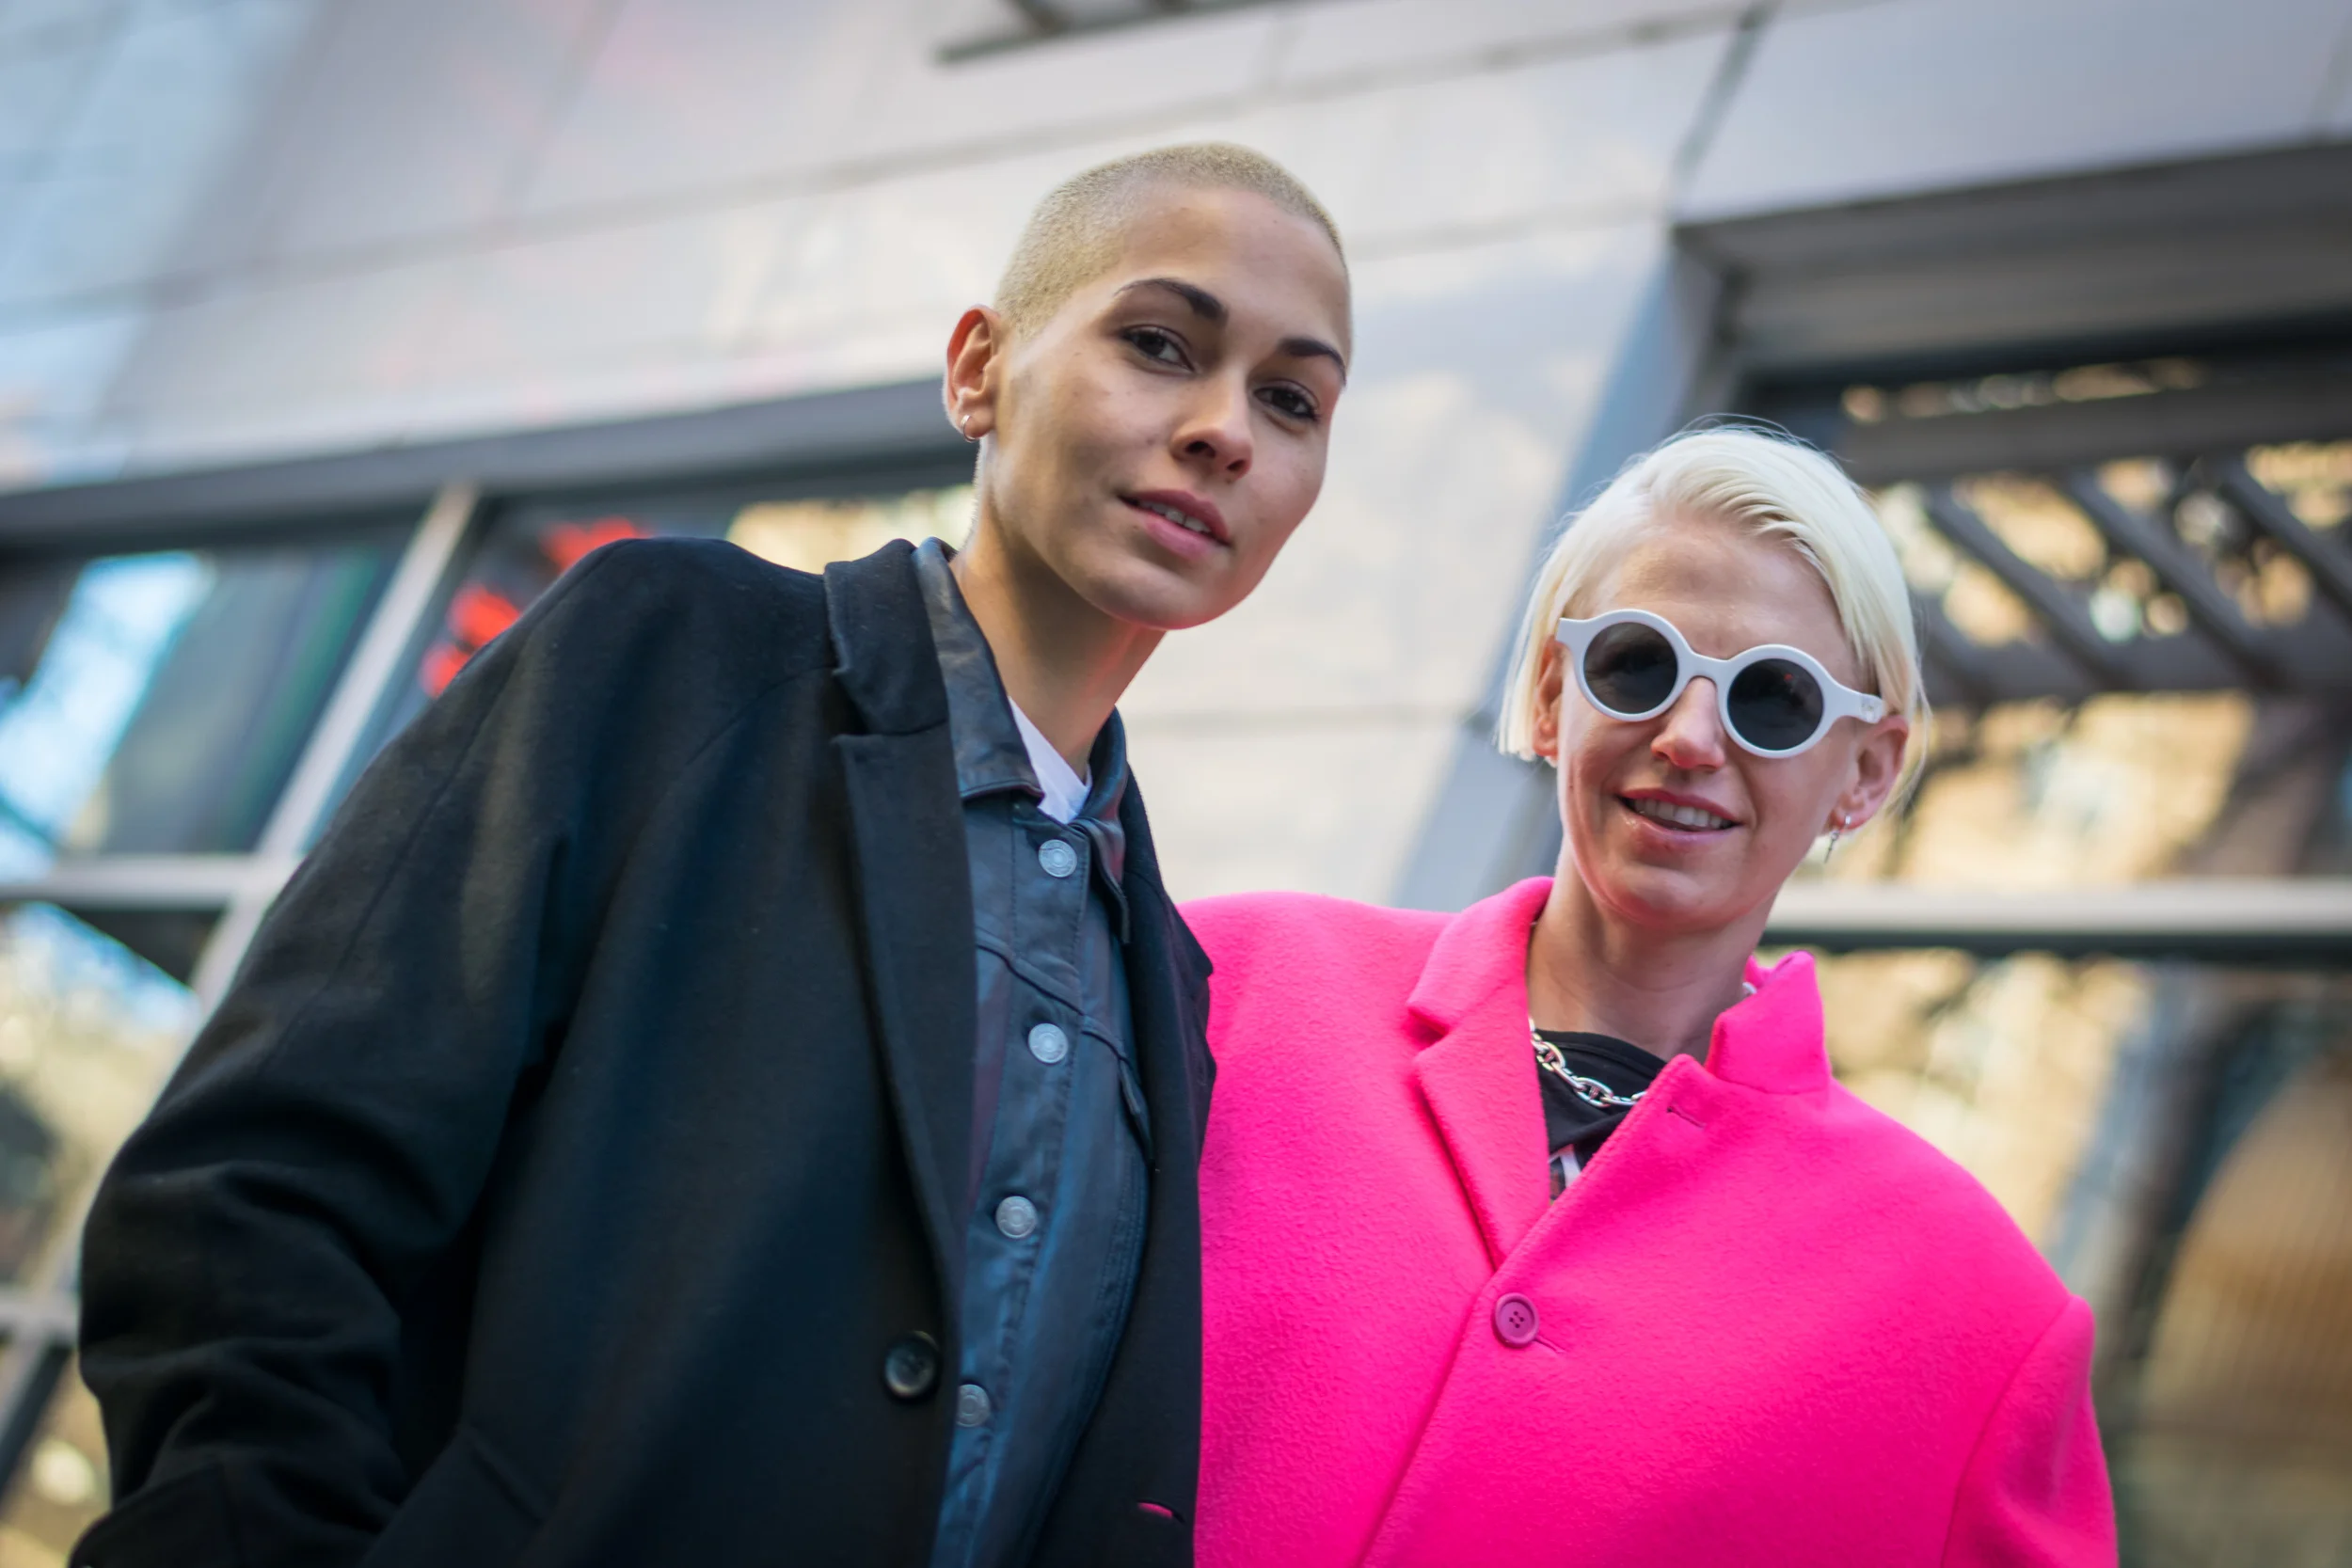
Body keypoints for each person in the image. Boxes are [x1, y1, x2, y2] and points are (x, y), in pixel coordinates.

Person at [71, 143, 1351, 1568]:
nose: (1224, 430)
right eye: (1160, 343)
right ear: (978, 369)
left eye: (1290, 399)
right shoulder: (674, 649)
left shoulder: (1164, 976)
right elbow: (252, 1197)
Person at [1186, 428, 2117, 1567]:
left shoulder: (1977, 1317)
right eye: (1636, 663)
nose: (1687, 737)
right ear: (1550, 694)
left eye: (1773, 697)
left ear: (1865, 772)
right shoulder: (1227, 987)